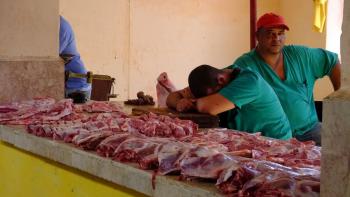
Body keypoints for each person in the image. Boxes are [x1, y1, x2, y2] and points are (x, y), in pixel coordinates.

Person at [231, 12, 341, 145]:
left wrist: (339, 98)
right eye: (270, 33)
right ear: (257, 36)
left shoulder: (301, 55)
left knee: (340, 148)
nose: (276, 38)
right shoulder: (245, 65)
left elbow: (332, 61)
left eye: (280, 33)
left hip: (308, 130)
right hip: (268, 137)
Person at [167, 64, 292, 140]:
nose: (211, 97)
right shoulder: (215, 79)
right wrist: (179, 103)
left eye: (211, 95)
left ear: (221, 80)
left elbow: (208, 106)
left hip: (276, 145)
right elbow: (172, 97)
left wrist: (192, 103)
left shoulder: (250, 81)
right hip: (247, 141)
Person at [59, 16, 91, 102]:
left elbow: (51, 58)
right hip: (67, 85)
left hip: (75, 87)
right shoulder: (56, 25)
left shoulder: (61, 26)